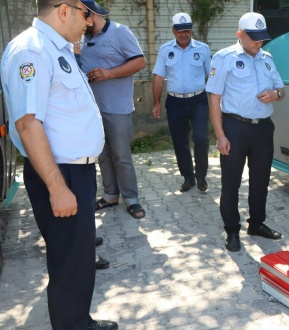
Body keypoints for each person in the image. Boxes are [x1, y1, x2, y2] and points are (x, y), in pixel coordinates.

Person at [1, 1, 118, 329]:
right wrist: (57, 187)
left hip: (73, 172)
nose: (91, 22)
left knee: (77, 262)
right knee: (70, 264)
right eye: (87, 13)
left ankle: (79, 321)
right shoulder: (33, 51)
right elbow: (27, 125)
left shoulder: (57, 48)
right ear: (64, 10)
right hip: (60, 174)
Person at [206, 12, 286, 252]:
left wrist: (275, 95)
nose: (259, 43)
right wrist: (220, 135)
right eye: (254, 38)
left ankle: (257, 223)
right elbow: (214, 97)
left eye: (262, 38)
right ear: (240, 35)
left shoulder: (268, 58)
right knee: (231, 182)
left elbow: (282, 90)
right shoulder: (224, 58)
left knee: (261, 180)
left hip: (263, 128)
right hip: (235, 127)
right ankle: (232, 230)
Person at [79, 3, 146, 219]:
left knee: (121, 156)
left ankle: (131, 199)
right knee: (103, 156)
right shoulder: (83, 37)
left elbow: (139, 62)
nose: (79, 22)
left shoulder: (120, 32)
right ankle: (110, 195)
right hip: (93, 110)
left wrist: (108, 73)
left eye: (81, 16)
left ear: (92, 15)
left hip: (117, 108)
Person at [151, 12, 211, 193]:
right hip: (175, 103)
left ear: (191, 30)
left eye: (186, 30)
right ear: (173, 30)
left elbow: (213, 76)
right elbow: (159, 77)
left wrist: (218, 101)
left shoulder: (203, 49)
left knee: (201, 138)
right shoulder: (165, 50)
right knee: (180, 142)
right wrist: (156, 103)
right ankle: (188, 177)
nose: (183, 34)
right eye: (179, 30)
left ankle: (201, 176)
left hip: (198, 100)